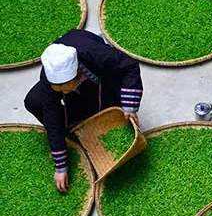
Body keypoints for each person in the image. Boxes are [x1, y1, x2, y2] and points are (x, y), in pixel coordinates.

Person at [24, 29, 143, 192]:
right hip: (72, 73)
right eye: (58, 88)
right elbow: (51, 117)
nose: (63, 92)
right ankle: (73, 130)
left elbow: (130, 66)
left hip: (99, 70)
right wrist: (61, 167)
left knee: (106, 106)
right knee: (34, 101)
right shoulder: (49, 74)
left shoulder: (97, 55)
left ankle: (99, 105)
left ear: (78, 75)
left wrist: (130, 106)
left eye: (65, 87)